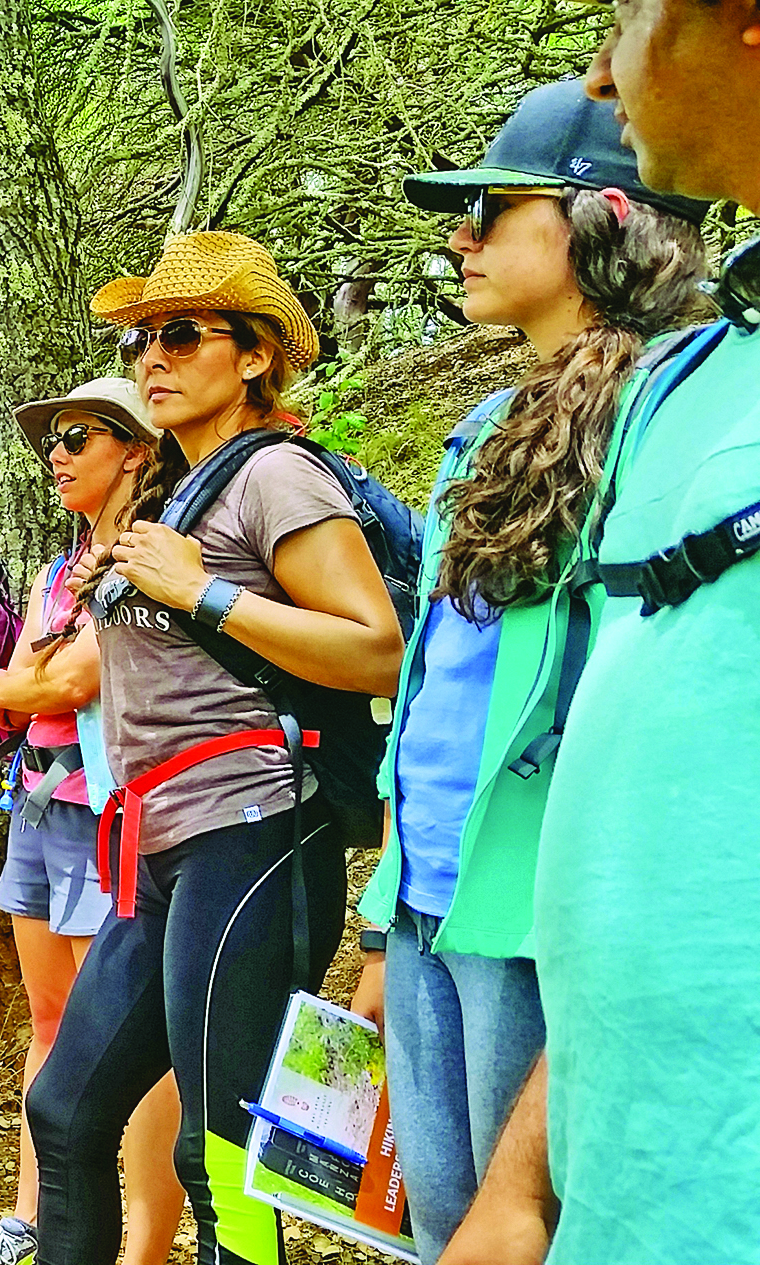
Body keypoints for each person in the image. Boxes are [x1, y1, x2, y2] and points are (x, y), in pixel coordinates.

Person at [353, 82, 707, 1265]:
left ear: (598, 219)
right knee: (448, 1221)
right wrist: (383, 907)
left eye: (493, 208)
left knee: (542, 1224)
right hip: (428, 893)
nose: (462, 238)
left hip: (546, 910)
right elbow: (433, 682)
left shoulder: (676, 419)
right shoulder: (493, 424)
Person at [442, 9, 759, 1262]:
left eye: (628, 8)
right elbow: (635, 835)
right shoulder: (702, 383)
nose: (594, 69)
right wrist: (526, 1174)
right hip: (613, 1183)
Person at [23, 234, 404, 1265]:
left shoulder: (277, 476)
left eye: (182, 334)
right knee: (63, 1109)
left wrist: (203, 591)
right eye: (145, 336)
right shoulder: (177, 493)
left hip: (254, 833)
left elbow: (381, 648)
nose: (154, 353)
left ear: (253, 355)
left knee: (222, 1149)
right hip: (158, 842)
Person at [0, 379, 185, 1265]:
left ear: (135, 448)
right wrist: (31, 681)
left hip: (117, 816)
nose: (57, 453)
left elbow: (57, 683)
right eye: (51, 437)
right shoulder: (64, 573)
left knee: (127, 1034)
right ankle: (34, 1216)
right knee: (50, 1018)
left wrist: (34, 680)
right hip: (41, 804)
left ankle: (142, 1241)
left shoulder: (151, 555)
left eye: (78, 435)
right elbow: (5, 688)